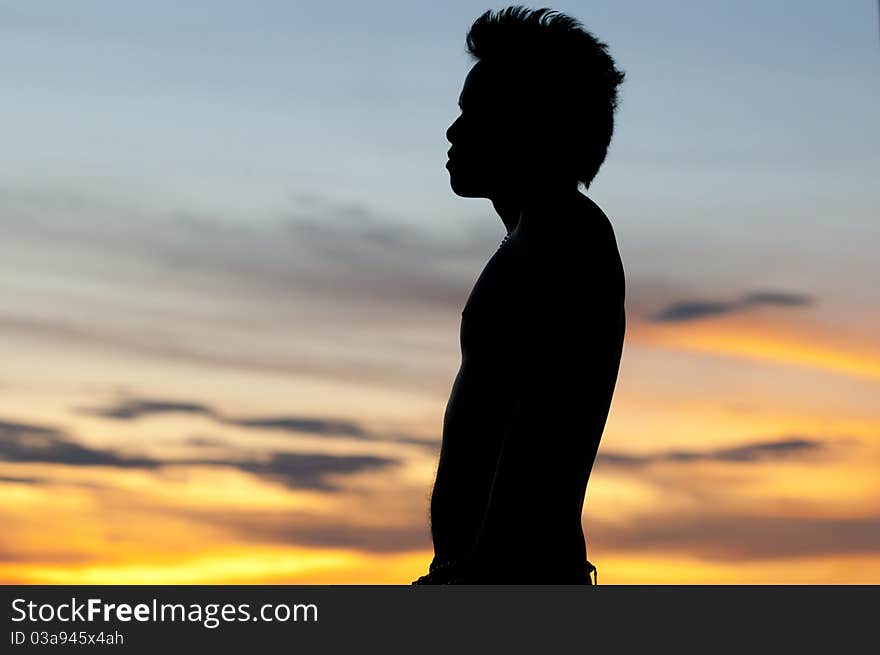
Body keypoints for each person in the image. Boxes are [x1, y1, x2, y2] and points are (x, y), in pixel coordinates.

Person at [413, 6, 626, 585]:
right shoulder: (537, 237)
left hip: (515, 578)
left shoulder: (562, 234)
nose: (454, 132)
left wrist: (482, 572)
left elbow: (543, 421)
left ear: (531, 122)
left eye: (475, 113)